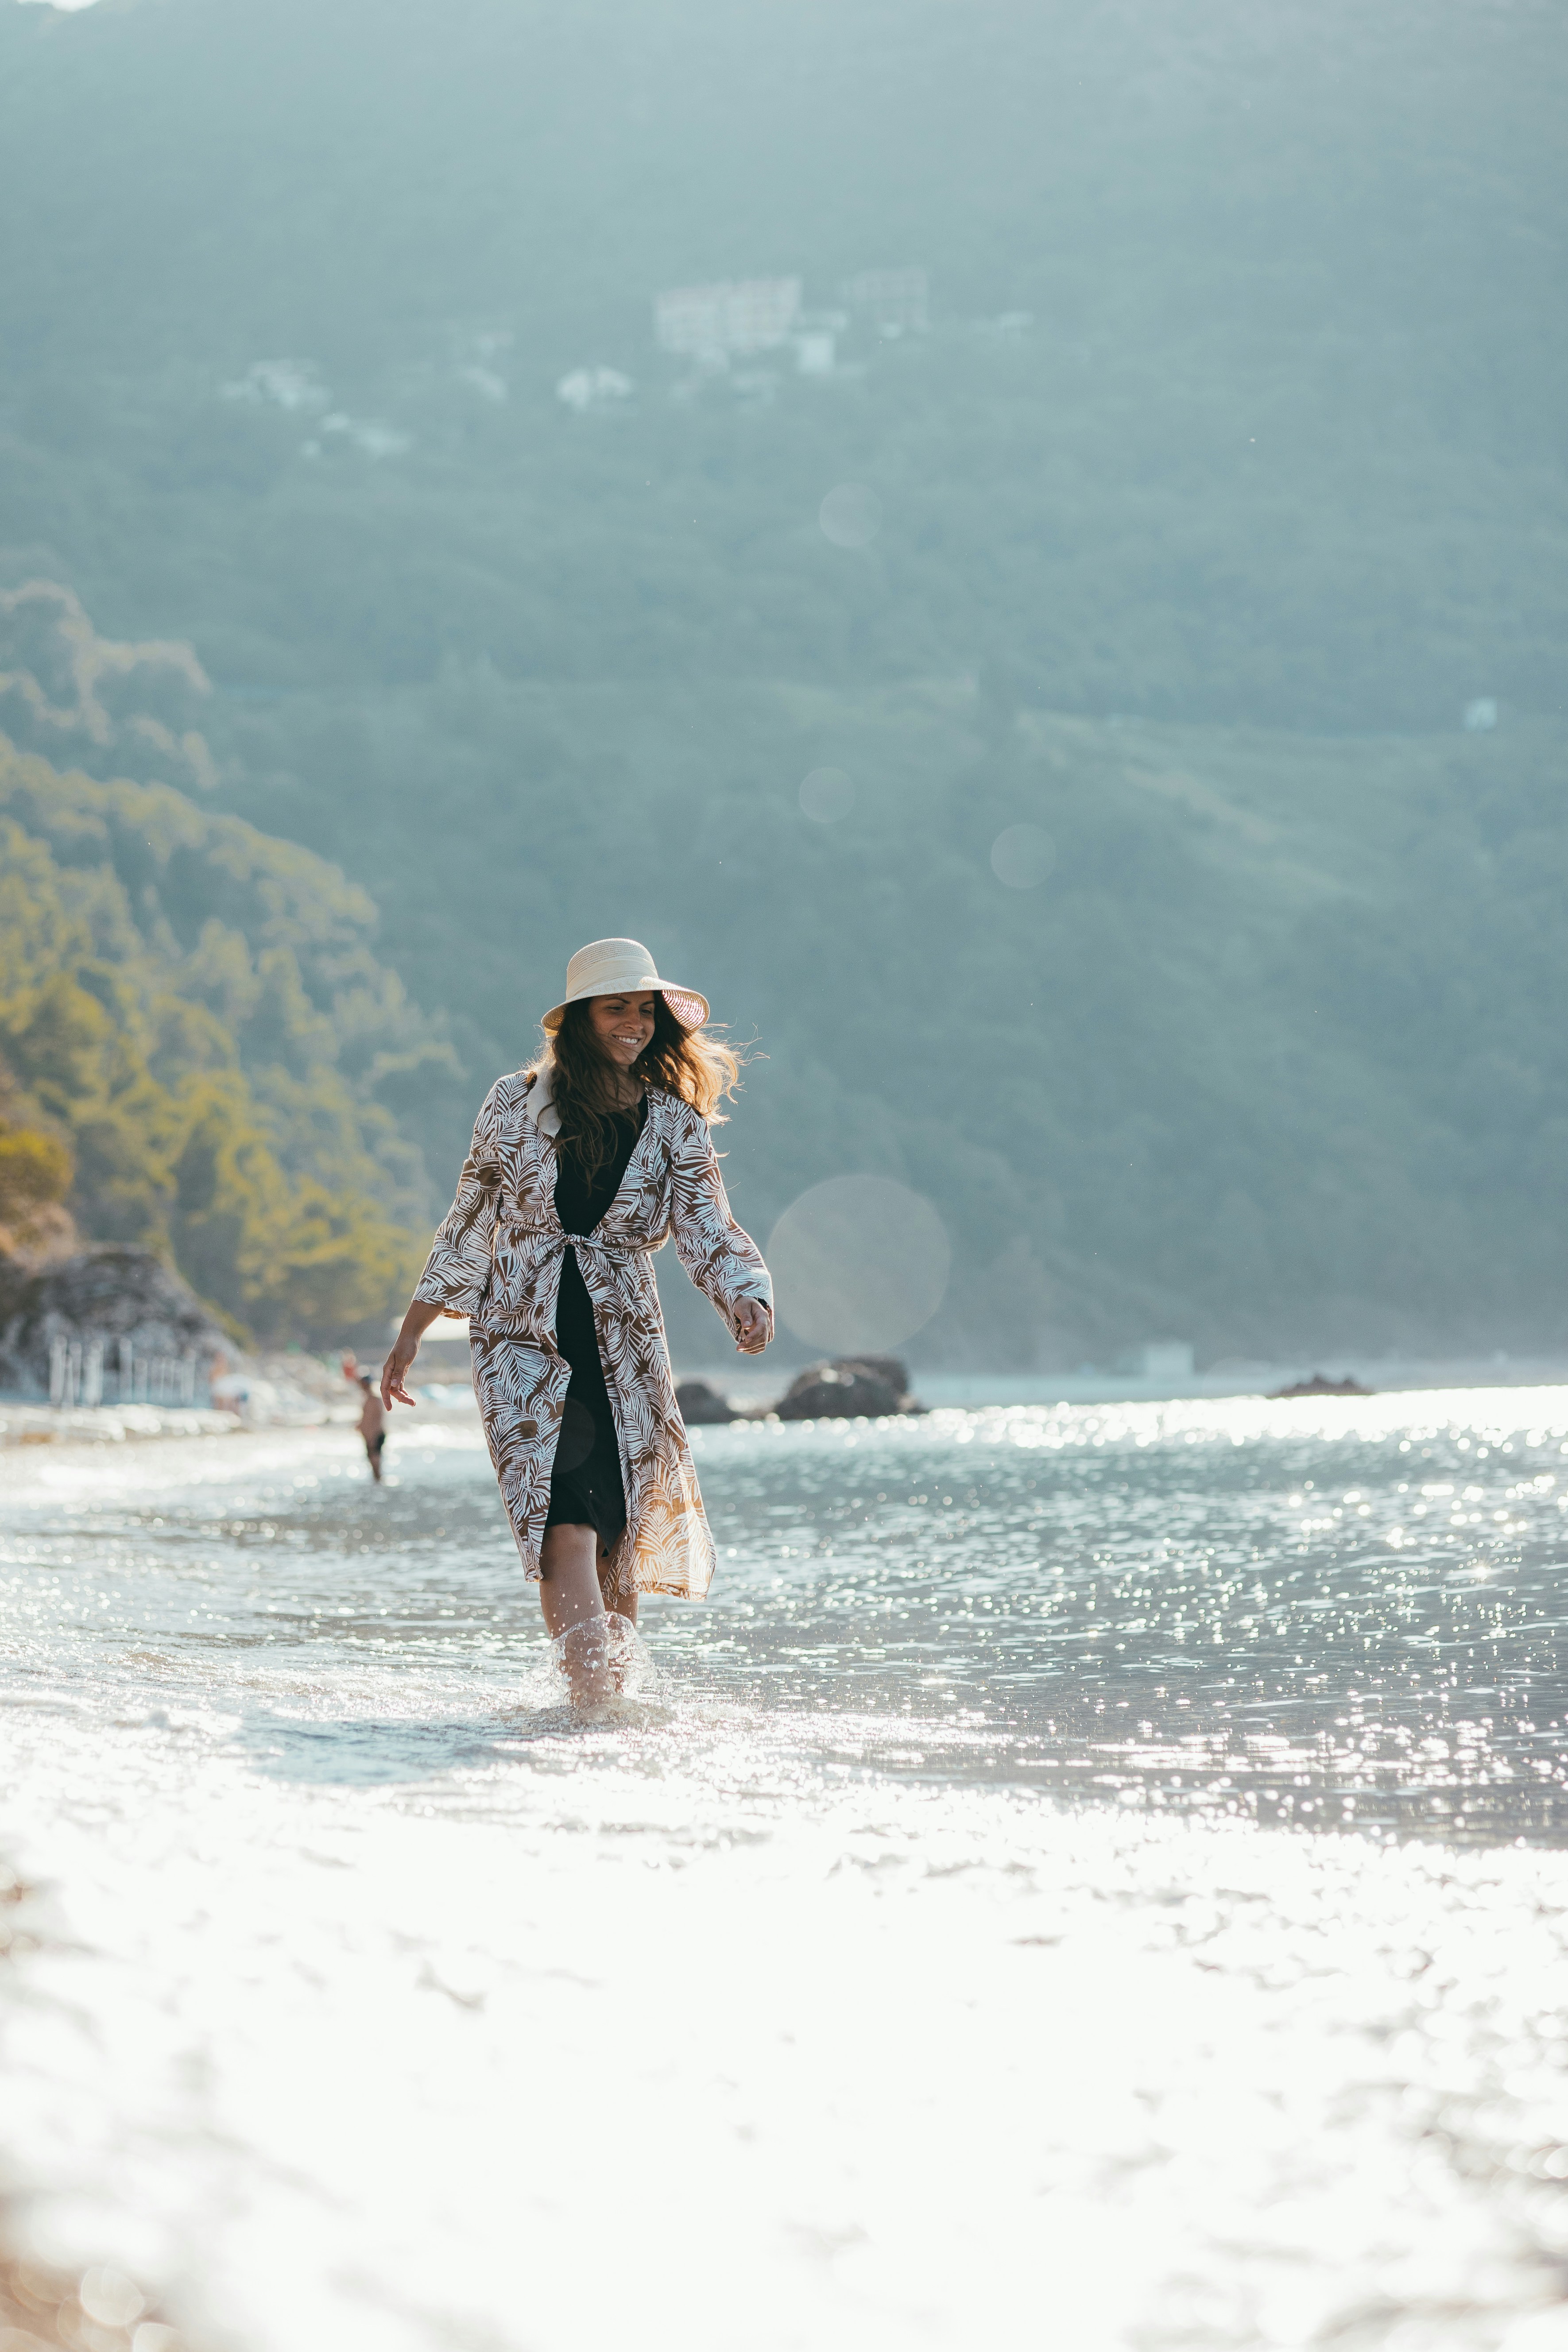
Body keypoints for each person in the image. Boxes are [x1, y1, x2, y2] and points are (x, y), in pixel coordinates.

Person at [381, 939, 772, 1705]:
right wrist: (413, 1331)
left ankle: (603, 1720)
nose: (632, 1022)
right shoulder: (514, 1101)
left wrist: (741, 1293)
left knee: (616, 1542)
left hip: (622, 1343)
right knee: (561, 1522)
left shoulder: (673, 1122)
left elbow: (705, 1223)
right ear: (580, 1019)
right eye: (615, 1007)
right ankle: (591, 1714)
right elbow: (470, 1217)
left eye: (643, 1010)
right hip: (521, 1340)